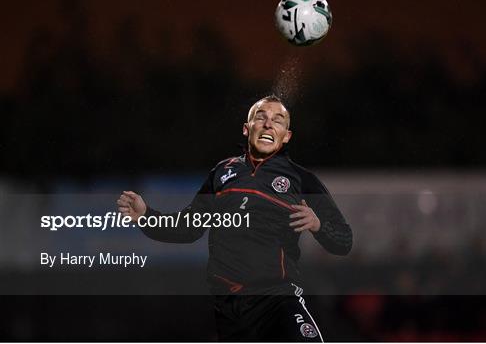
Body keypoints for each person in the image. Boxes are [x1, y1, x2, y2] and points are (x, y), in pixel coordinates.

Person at [117, 95, 352, 341]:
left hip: (278, 298)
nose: (268, 124)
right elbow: (187, 229)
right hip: (231, 307)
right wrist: (145, 215)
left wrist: (318, 225)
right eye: (260, 117)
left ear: (287, 136)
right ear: (246, 128)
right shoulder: (221, 172)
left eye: (278, 120)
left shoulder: (302, 180)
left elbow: (344, 240)